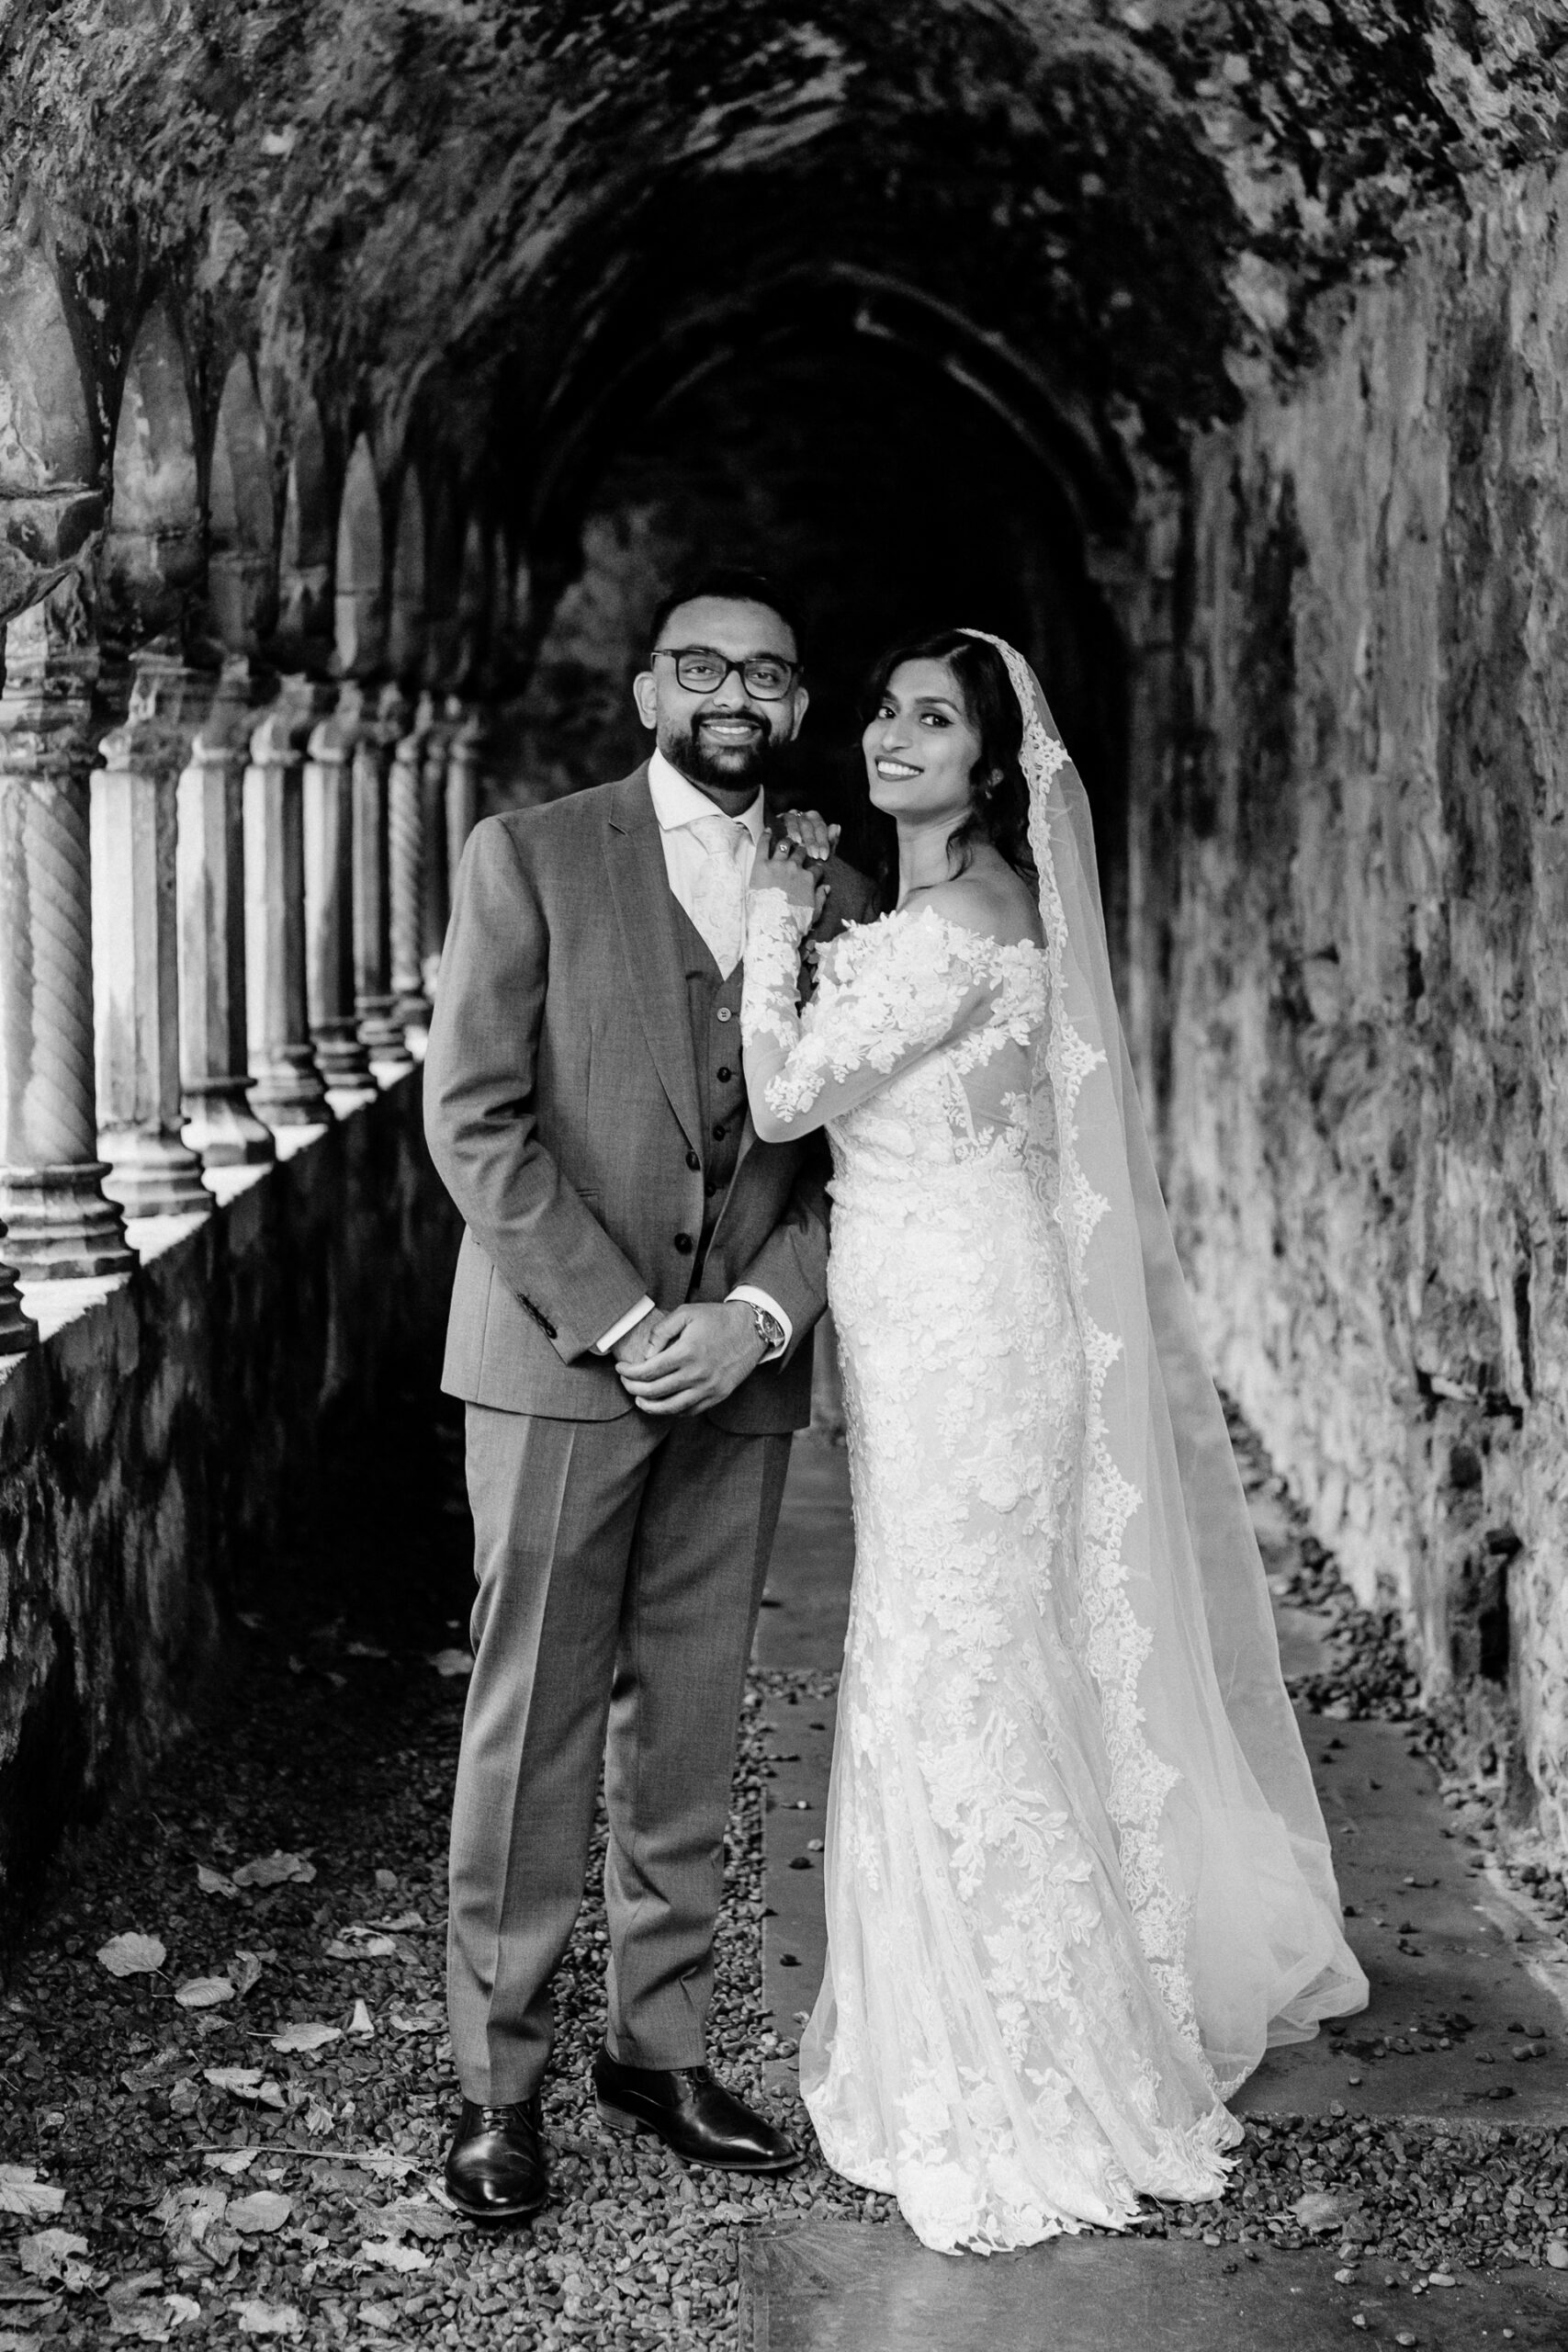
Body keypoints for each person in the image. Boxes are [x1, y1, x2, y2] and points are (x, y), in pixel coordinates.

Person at [740, 628, 1368, 2256]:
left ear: (989, 764)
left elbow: (786, 1100)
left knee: (951, 1653)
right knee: (964, 1644)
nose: (892, 737)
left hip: (960, 1323)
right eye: (882, 711)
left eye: (931, 720)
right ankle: (958, 2021)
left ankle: (1009, 2058)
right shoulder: (954, 915)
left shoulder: (953, 925)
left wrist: (763, 918)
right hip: (941, 1304)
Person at [423, 570, 874, 2221]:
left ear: (801, 706)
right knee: (533, 1719)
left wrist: (758, 1318)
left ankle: (660, 2044)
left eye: (768, 672)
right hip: (559, 1370)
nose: (734, 696)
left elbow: (862, 1162)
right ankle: (497, 2083)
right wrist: (628, 1323)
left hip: (743, 1378)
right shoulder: (531, 854)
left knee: (691, 1718)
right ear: (646, 692)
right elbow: (475, 1123)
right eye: (703, 667)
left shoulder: (835, 897)